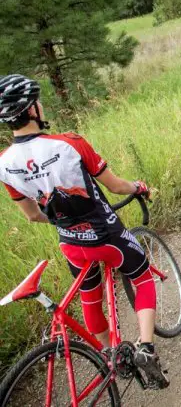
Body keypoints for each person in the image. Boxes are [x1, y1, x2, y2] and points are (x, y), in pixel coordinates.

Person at [0, 74, 168, 389]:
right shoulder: (69, 143)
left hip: (71, 243)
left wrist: (64, 219)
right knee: (141, 275)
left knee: (90, 298)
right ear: (32, 109)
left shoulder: (4, 164)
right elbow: (116, 186)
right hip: (106, 235)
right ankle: (146, 347)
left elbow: (33, 215)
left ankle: (108, 355)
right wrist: (140, 187)